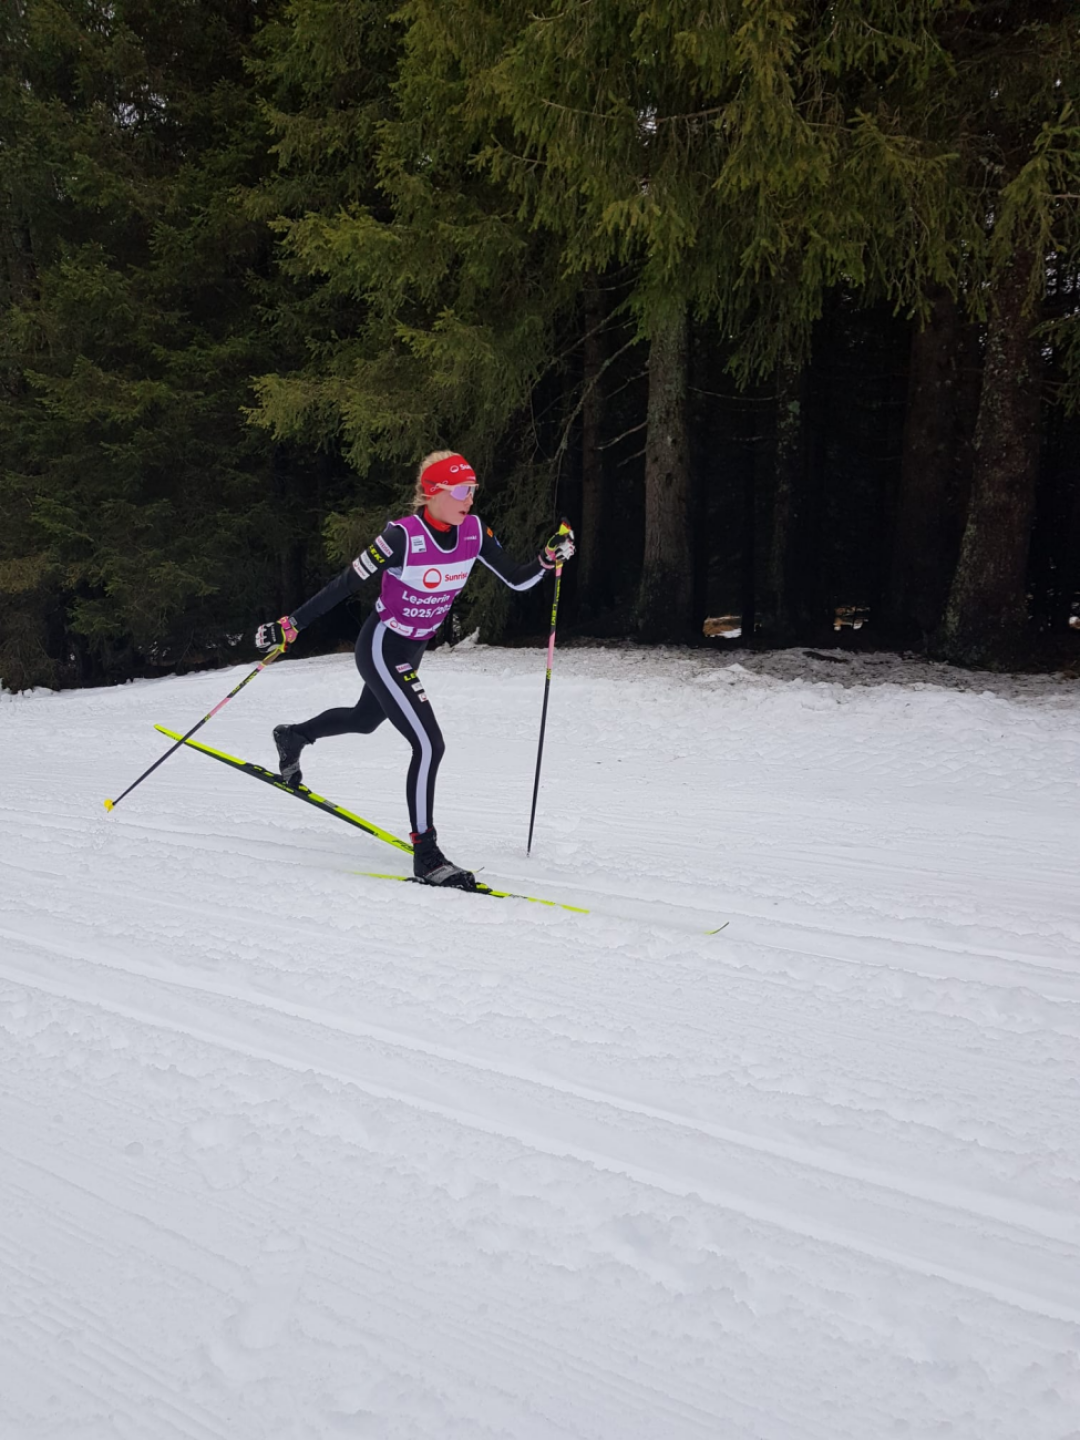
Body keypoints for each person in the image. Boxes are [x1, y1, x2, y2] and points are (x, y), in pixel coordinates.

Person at [254, 451, 575, 889]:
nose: (469, 499)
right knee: (429, 744)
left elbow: (517, 579)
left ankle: (294, 736)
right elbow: (345, 584)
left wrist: (545, 559)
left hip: (413, 646)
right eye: (460, 490)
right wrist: (291, 625)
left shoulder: (475, 532)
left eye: (473, 490)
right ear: (432, 493)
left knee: (366, 720)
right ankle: (426, 854)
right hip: (383, 644)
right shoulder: (401, 537)